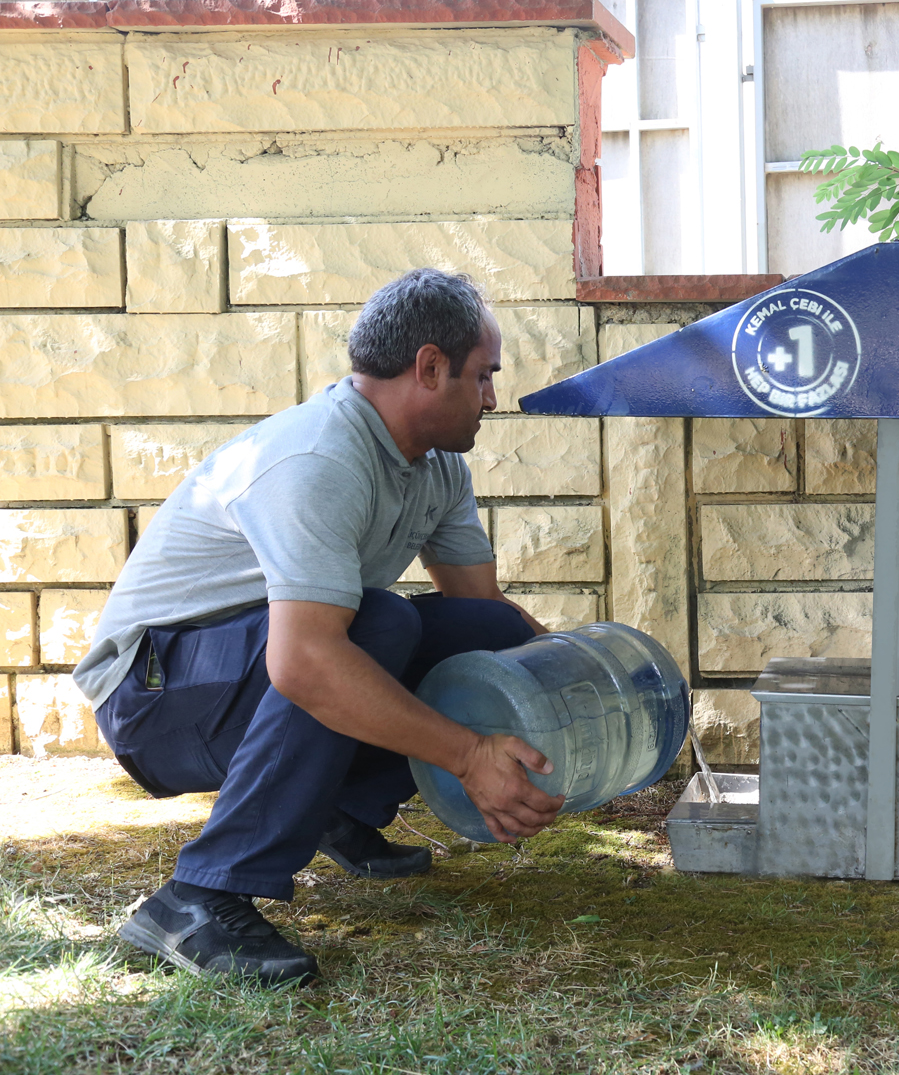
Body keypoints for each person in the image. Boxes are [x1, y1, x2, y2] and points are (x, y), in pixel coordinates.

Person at [74, 269, 566, 986]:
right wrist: (468, 756)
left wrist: (570, 672)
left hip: (239, 668)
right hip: (151, 690)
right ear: (430, 368)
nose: (492, 397)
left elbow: (484, 610)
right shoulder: (320, 457)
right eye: (484, 376)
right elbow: (303, 663)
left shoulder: (437, 469)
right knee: (374, 625)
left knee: (481, 629)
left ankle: (336, 804)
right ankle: (200, 896)